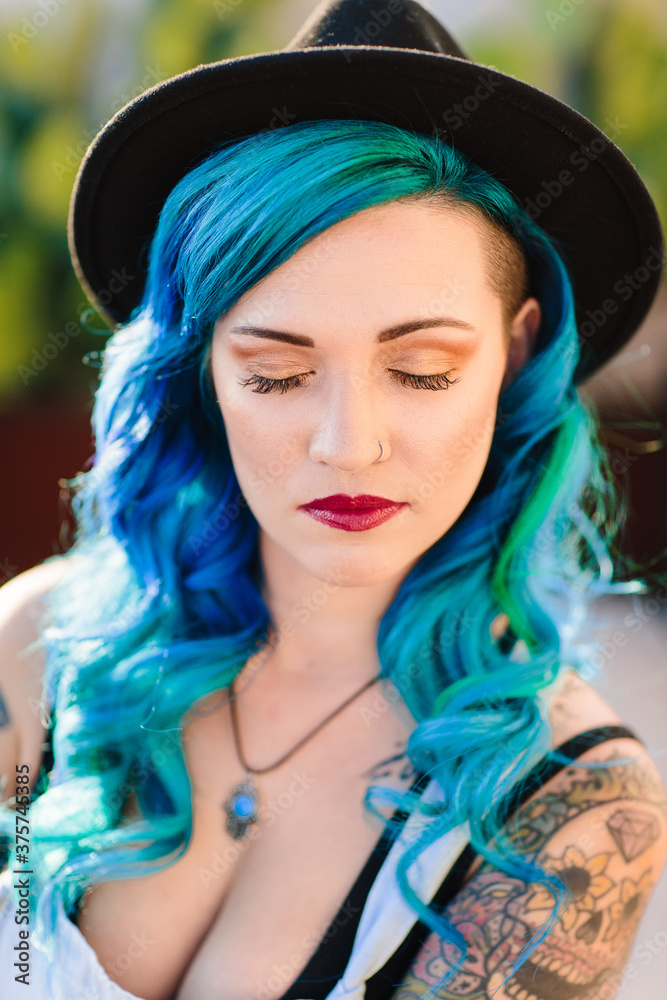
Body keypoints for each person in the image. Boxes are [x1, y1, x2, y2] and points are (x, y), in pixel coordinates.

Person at [0, 1, 666, 998]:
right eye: (275, 372)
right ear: (200, 372)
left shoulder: (567, 803)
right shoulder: (40, 647)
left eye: (423, 369)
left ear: (515, 350)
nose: (348, 444)